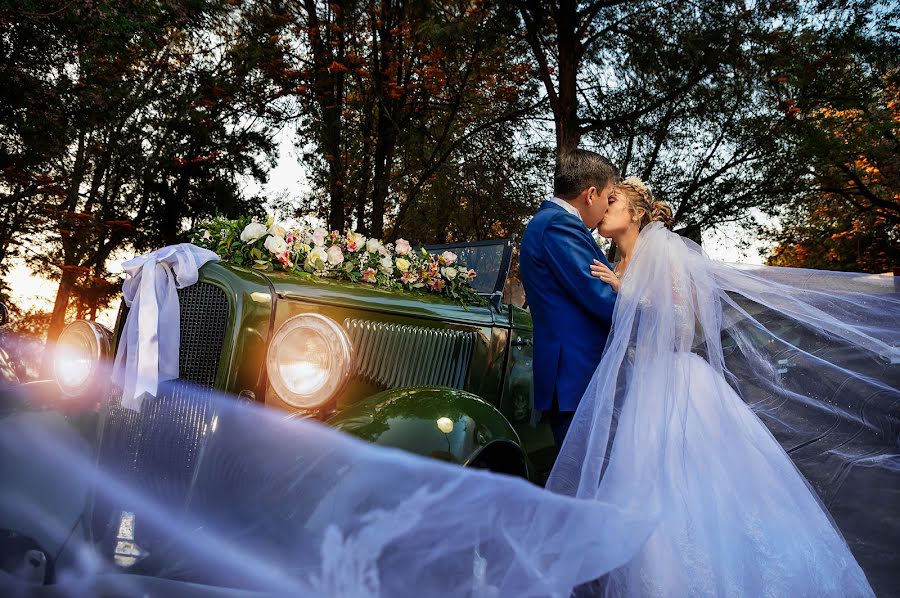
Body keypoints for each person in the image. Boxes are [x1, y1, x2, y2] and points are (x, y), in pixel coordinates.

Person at [545, 175, 880, 596]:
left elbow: (682, 328)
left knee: (694, 490)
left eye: (613, 202)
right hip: (641, 391)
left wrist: (626, 295)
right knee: (641, 489)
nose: (605, 209)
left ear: (636, 214)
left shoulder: (663, 255)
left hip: (676, 383)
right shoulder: (613, 266)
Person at [519, 149, 619, 451]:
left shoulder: (550, 222)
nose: (606, 207)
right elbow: (600, 298)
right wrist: (654, 314)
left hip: (574, 377)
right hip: (575, 376)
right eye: (608, 197)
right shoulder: (558, 225)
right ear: (590, 194)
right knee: (585, 483)